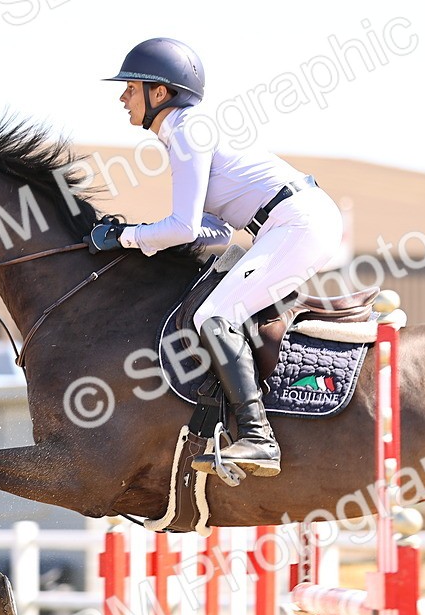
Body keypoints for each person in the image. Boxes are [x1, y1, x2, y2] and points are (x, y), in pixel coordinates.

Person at [90, 38, 344, 481]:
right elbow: (215, 230)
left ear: (160, 93)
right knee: (218, 306)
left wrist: (125, 237)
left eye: (130, 87)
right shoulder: (185, 132)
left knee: (214, 315)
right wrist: (135, 236)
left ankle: (259, 437)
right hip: (294, 222)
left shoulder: (188, 130)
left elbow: (184, 228)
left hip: (297, 222)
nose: (122, 97)